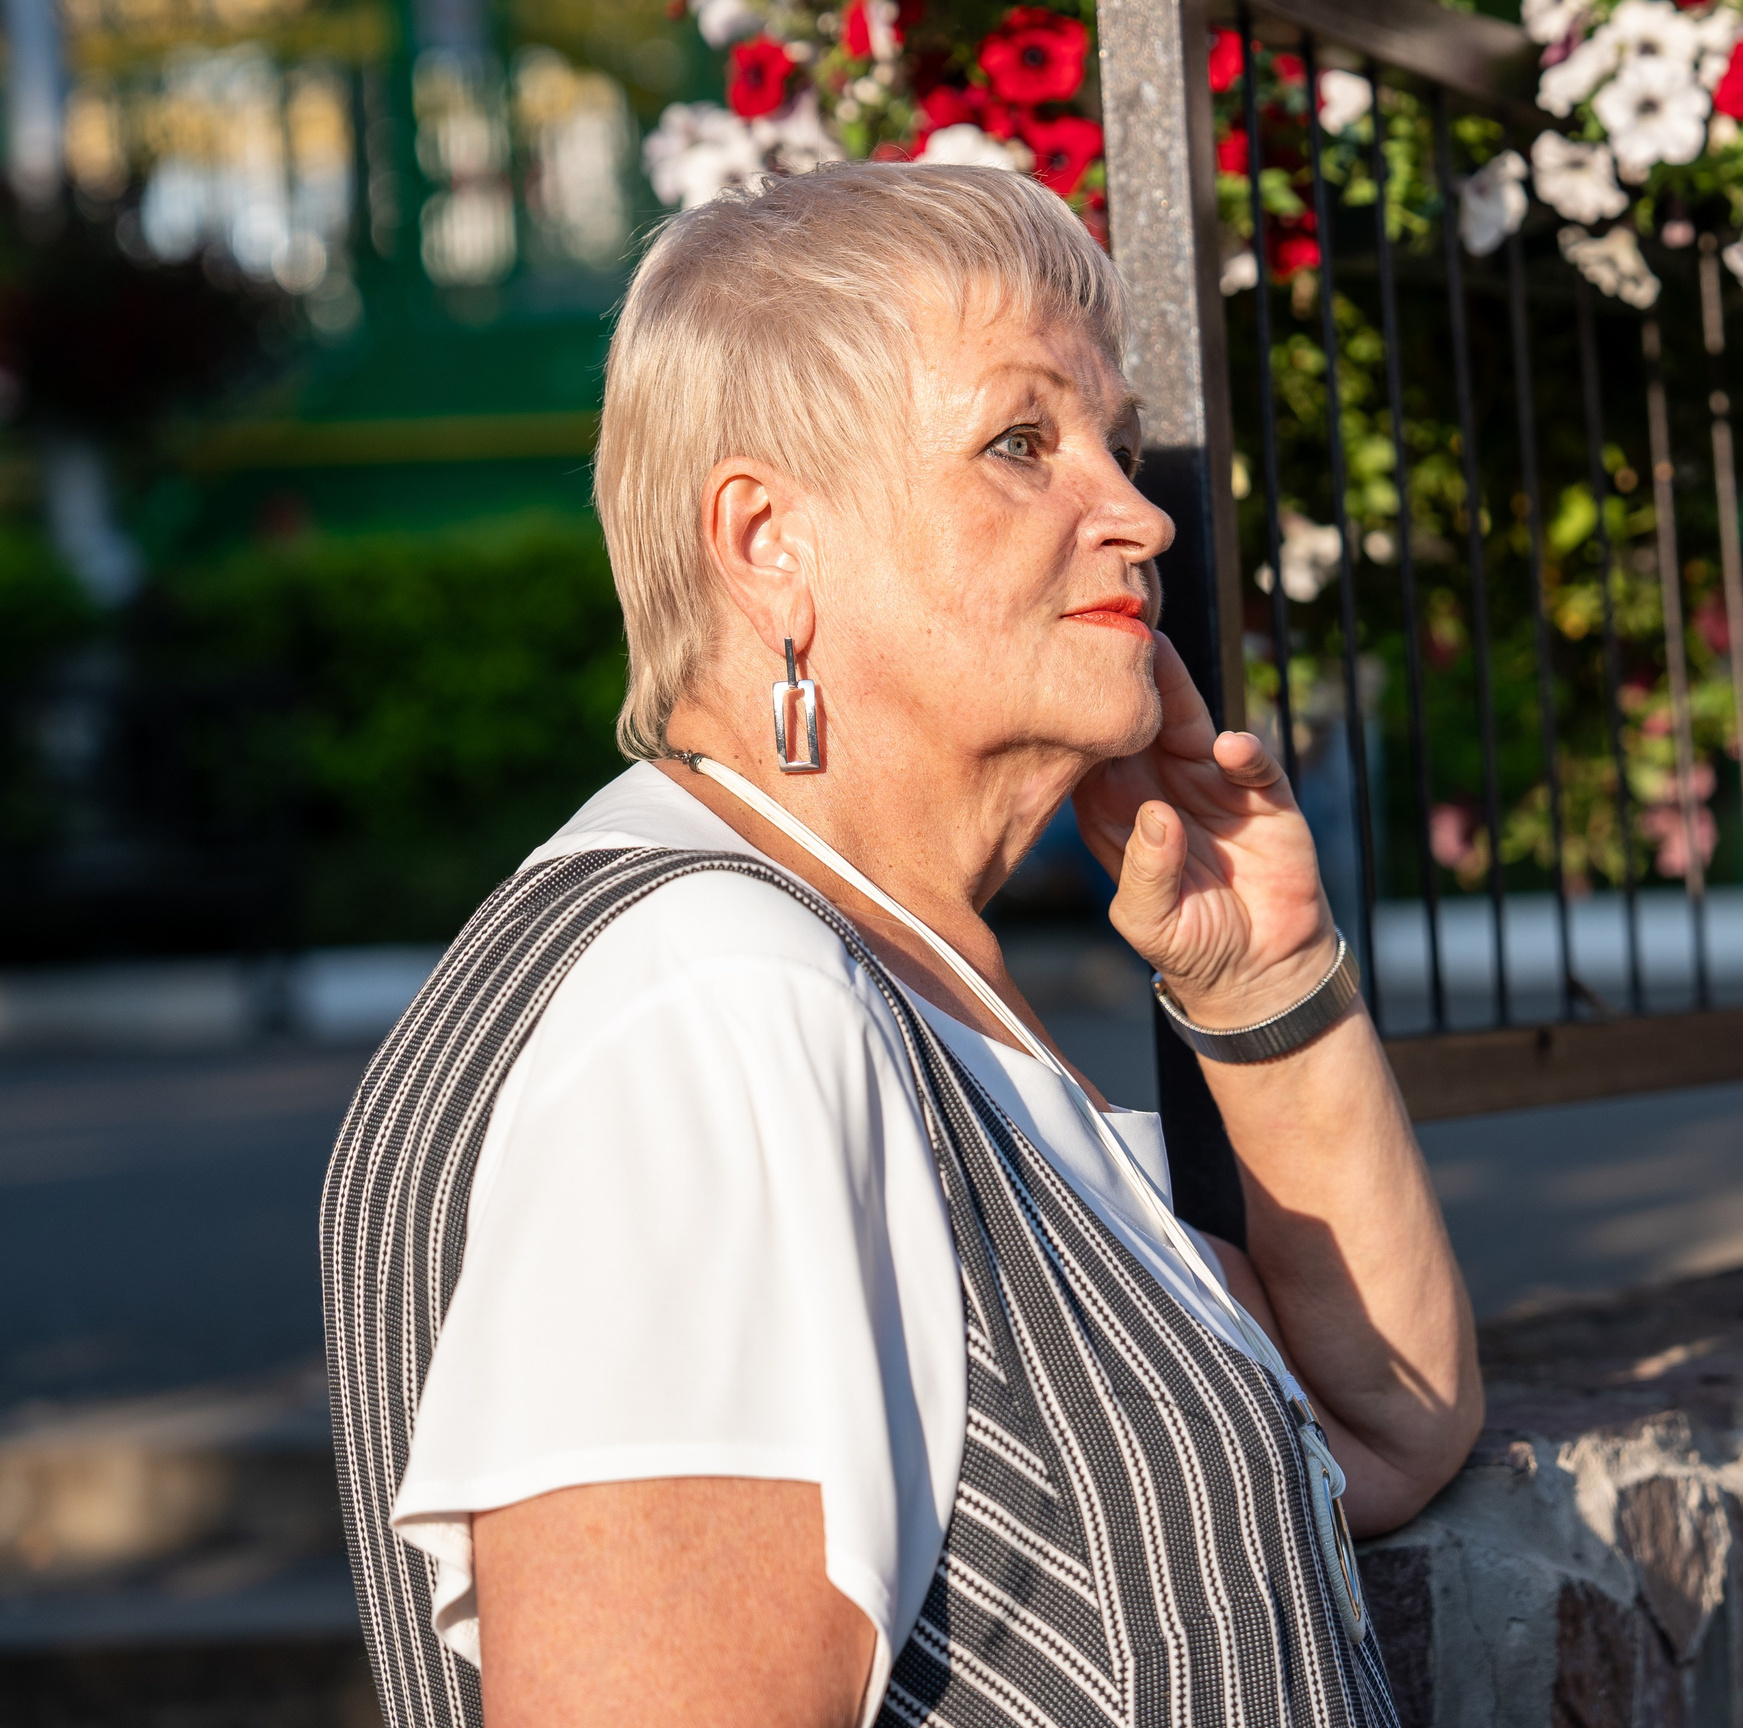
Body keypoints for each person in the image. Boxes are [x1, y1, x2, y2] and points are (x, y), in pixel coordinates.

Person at [320, 163, 1481, 1728]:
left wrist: (1262, 985)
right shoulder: (719, 1005)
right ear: (767, 538)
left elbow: (1382, 1431)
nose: (1138, 514)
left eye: (1117, 445)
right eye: (1023, 443)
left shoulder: (865, 977)